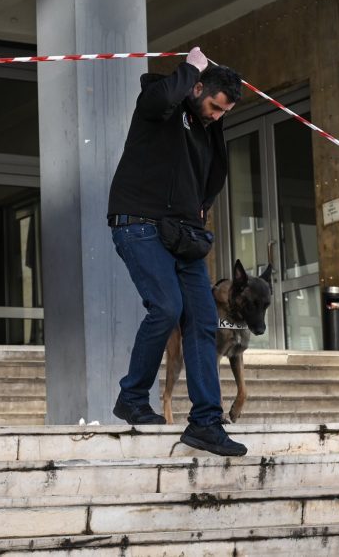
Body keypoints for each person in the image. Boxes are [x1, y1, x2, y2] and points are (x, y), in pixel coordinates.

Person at [106, 46, 247, 456]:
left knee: (203, 322)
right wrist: (190, 68)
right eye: (214, 107)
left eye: (224, 112)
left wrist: (202, 204)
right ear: (197, 87)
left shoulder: (207, 129)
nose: (216, 116)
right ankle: (132, 397)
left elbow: (214, 173)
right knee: (167, 307)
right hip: (138, 223)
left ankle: (206, 423)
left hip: (184, 233)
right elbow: (163, 97)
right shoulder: (159, 105)